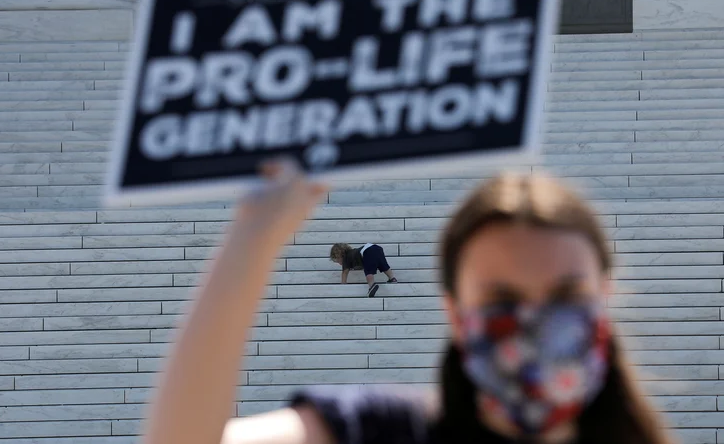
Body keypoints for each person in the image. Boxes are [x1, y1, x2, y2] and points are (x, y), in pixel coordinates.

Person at [143, 160, 674, 444]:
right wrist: (253, 236)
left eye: (564, 295)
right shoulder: (387, 429)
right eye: (502, 299)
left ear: (605, 295)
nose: (534, 319)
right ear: (455, 313)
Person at [329, 243, 397, 297]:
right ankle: (392, 278)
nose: (339, 263)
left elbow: (345, 272)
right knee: (383, 265)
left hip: (367, 251)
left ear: (340, 256)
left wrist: (343, 284)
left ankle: (372, 285)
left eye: (338, 261)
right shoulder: (353, 253)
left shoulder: (346, 258)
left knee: (368, 270)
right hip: (377, 248)